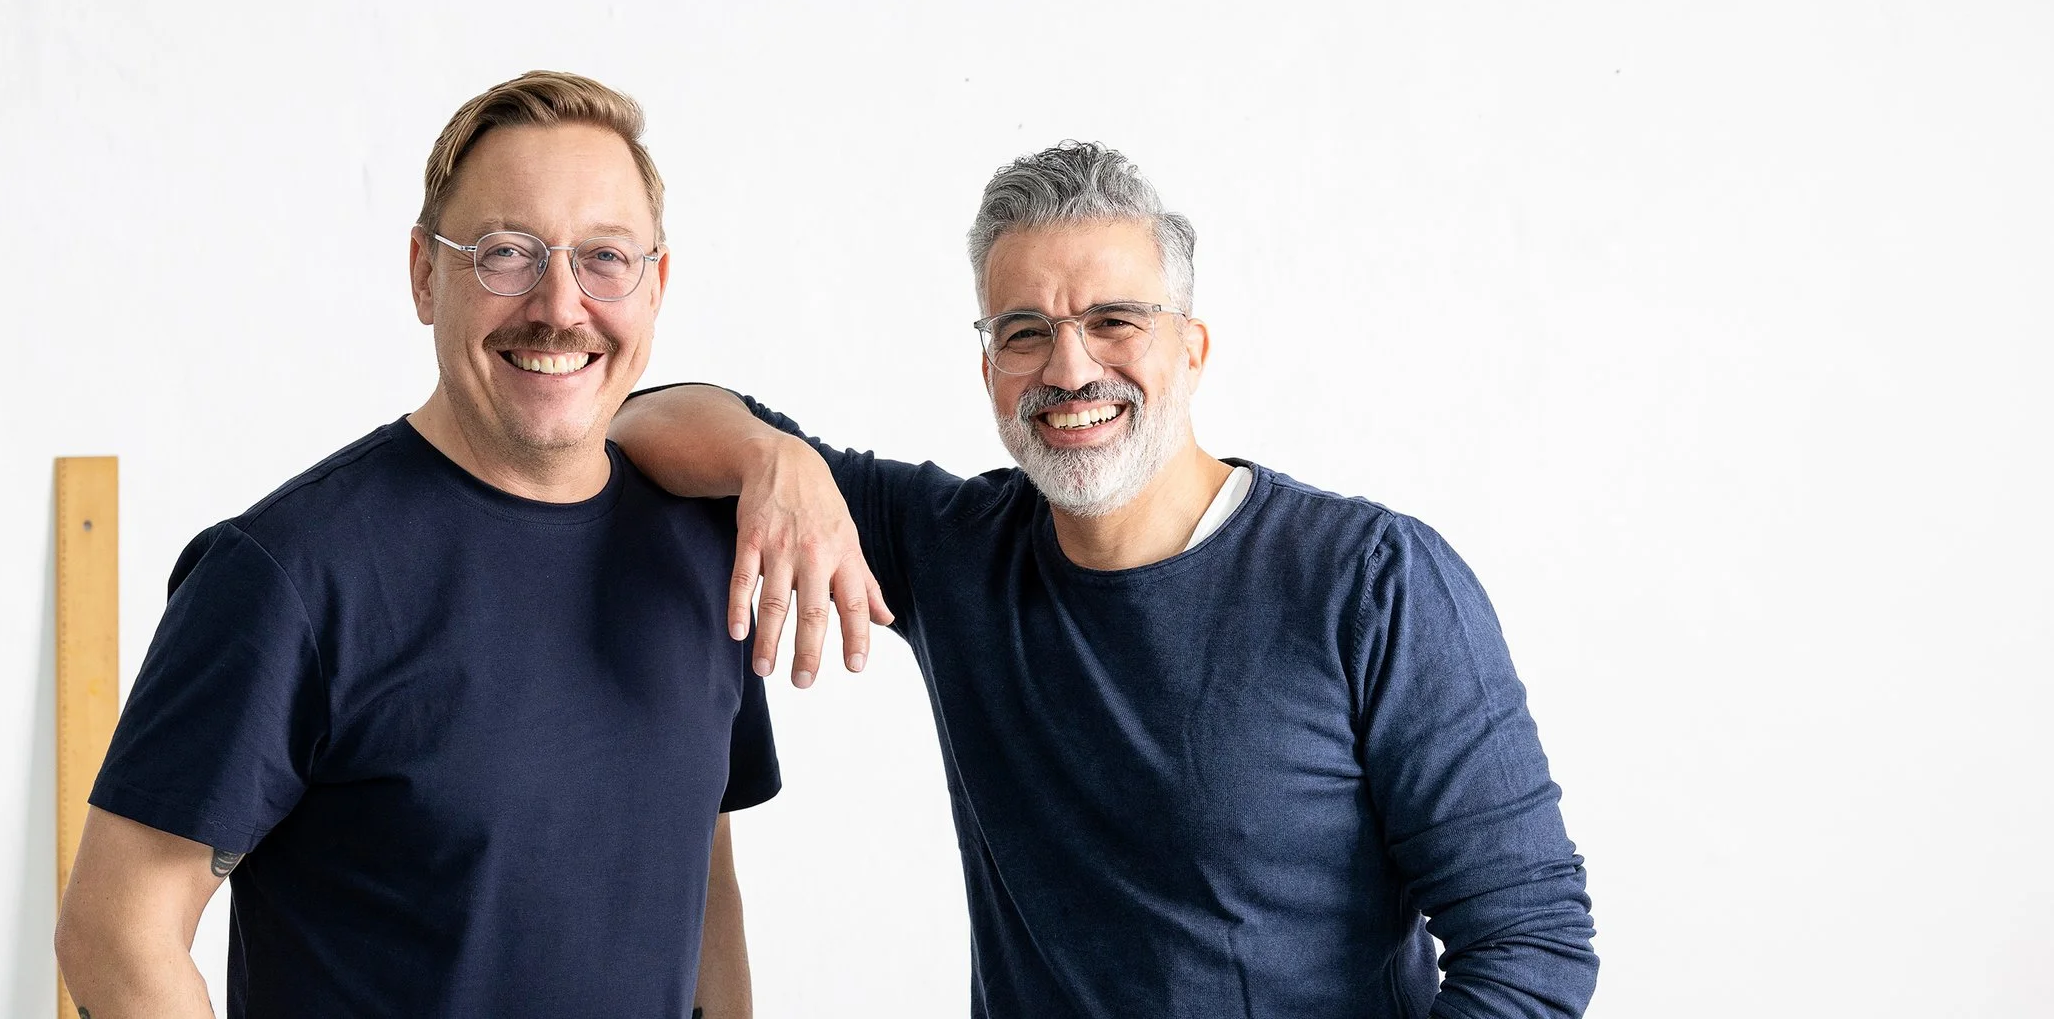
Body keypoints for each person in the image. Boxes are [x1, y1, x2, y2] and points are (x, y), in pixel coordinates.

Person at [611, 141, 1597, 1017]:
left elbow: (1530, 945)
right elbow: (641, 414)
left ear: (1192, 348)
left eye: (1114, 320)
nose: (1070, 368)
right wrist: (771, 460)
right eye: (1024, 331)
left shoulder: (1371, 580)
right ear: (988, 365)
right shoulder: (956, 546)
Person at [55, 71, 779, 1018]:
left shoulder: (699, 544)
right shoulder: (290, 577)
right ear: (424, 274)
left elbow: (705, 887)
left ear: (657, 283)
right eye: (505, 253)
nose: (560, 305)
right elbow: (116, 928)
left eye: (604, 257)